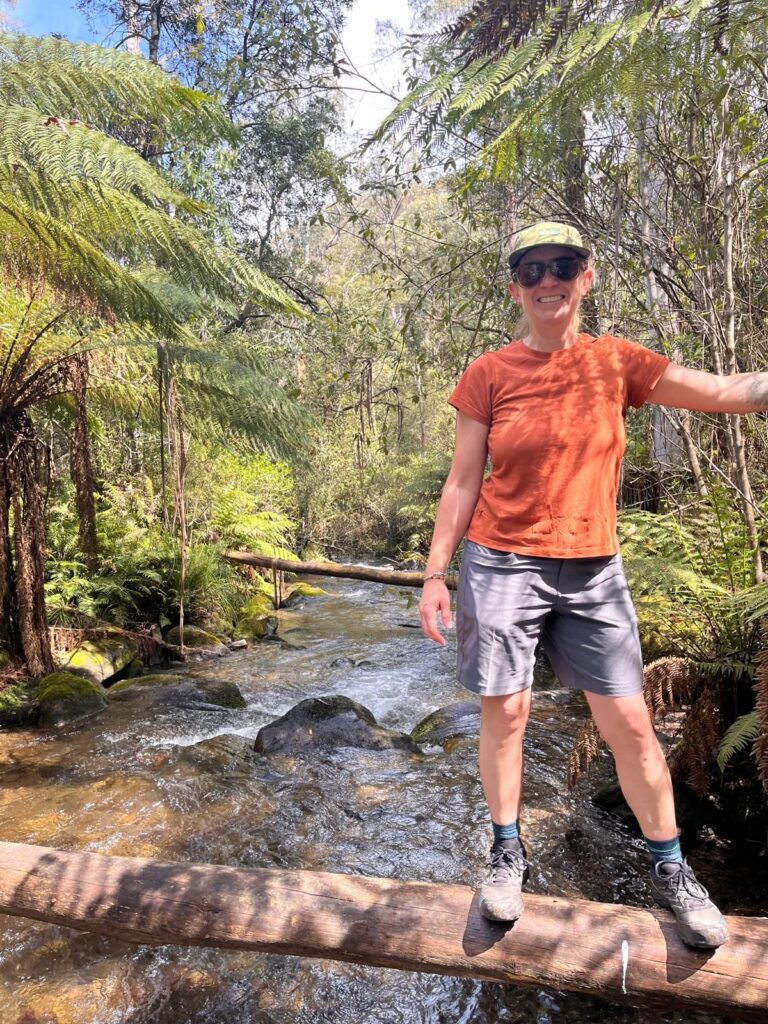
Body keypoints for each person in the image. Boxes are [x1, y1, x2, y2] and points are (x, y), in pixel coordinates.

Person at [419, 220, 768, 950]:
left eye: (563, 266)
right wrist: (432, 573)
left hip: (593, 566)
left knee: (631, 722)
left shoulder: (618, 363)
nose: (548, 280)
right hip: (500, 559)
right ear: (515, 286)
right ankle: (506, 853)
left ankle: (673, 869)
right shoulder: (489, 373)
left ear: (588, 275)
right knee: (507, 713)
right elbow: (461, 482)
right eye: (533, 269)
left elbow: (726, 391)